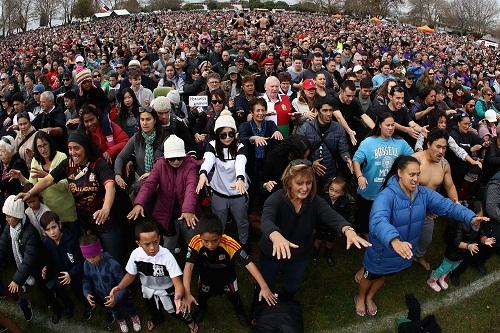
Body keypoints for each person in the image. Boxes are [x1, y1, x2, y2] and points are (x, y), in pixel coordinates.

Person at [355, 155, 487, 317]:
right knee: (369, 276)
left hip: (401, 253)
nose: (416, 179)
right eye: (412, 174)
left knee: (382, 277)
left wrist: (470, 217)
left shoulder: (423, 194)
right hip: (382, 252)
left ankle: (370, 296)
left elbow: (447, 206)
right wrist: (395, 241)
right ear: (399, 173)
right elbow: (378, 221)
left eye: (418, 174)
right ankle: (361, 297)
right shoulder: (386, 197)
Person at [259, 160, 369, 299]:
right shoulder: (275, 199)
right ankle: (260, 308)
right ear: (288, 182)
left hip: (299, 255)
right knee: (266, 284)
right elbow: (266, 219)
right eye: (299, 183)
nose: (305, 188)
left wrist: (348, 230)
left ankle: (287, 303)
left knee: (291, 286)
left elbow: (332, 216)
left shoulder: (315, 201)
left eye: (309, 183)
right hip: (272, 254)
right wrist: (275, 235)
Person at [17, 131, 123, 262]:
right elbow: (48, 180)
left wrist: (106, 209)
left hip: (106, 222)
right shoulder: (68, 164)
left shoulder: (98, 164)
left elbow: (110, 186)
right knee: (93, 259)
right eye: (70, 148)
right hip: (85, 224)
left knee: (113, 259)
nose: (73, 152)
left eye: (76, 148)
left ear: (85, 147)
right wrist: (30, 193)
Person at [182, 215, 277, 326]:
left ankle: (240, 311)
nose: (210, 245)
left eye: (215, 240)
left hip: (228, 278)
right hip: (205, 278)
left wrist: (264, 286)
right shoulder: (195, 241)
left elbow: (249, 264)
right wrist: (187, 292)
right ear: (200, 236)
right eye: (206, 241)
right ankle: (201, 309)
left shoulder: (229, 243)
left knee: (235, 297)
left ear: (221, 236)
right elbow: (188, 266)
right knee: (202, 296)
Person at [108, 220, 198, 333]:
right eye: (147, 244)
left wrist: (178, 297)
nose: (152, 248)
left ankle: (190, 321)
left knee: (178, 311)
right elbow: (131, 275)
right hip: (148, 289)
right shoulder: (135, 255)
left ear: (159, 238)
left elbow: (178, 283)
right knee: (153, 310)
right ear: (138, 243)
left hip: (168, 290)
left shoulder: (167, 256)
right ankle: (157, 319)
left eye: (155, 242)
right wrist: (119, 287)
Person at [128, 135, 199, 252]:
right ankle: (167, 265)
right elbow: (149, 184)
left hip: (188, 213)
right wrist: (139, 203)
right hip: (167, 213)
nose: (176, 161)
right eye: (172, 158)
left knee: (193, 242)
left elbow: (191, 188)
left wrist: (188, 209)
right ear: (165, 157)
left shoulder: (190, 165)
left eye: (179, 158)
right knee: (168, 243)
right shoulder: (160, 165)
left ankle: (197, 264)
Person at [196, 110, 250, 248]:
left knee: (242, 221)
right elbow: (208, 159)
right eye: (223, 135)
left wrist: (239, 178)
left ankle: (243, 244)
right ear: (217, 134)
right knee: (219, 222)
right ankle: (219, 246)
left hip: (238, 191)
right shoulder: (212, 145)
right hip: (219, 192)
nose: (227, 138)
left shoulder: (240, 146)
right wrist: (203, 172)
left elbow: (240, 162)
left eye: (231, 134)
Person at [352, 113, 414, 235]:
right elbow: (356, 160)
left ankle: (380, 233)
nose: (391, 128)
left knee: (385, 215)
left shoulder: (400, 142)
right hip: (369, 189)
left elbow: (413, 157)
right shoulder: (368, 142)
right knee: (364, 216)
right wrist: (359, 176)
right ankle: (363, 234)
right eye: (387, 125)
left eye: (393, 125)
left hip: (390, 190)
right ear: (380, 125)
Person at [10, 131, 78, 234]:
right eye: (39, 146)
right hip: (48, 214)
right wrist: (21, 177)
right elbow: (33, 187)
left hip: (66, 211)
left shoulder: (62, 157)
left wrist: (46, 176)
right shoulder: (35, 161)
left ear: (50, 144)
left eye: (45, 145)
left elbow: (65, 186)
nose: (43, 149)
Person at [412, 129, 459, 270]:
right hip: (408, 208)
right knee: (398, 236)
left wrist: (456, 205)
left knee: (426, 239)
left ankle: (418, 256)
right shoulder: (414, 161)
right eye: (438, 147)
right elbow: (402, 190)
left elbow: (450, 186)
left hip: (428, 212)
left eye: (444, 148)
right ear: (428, 144)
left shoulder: (444, 164)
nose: (441, 151)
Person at [80, 234, 141, 333]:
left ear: (100, 250)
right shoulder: (86, 264)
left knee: (129, 306)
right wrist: (86, 292)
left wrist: (116, 298)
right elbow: (86, 279)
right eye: (87, 257)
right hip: (105, 297)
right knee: (115, 311)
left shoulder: (112, 264)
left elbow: (123, 284)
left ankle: (133, 316)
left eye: (93, 256)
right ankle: (120, 320)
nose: (91, 260)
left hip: (122, 295)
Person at [0, 195, 44, 322]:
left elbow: (29, 260)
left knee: (42, 287)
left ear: (18, 216)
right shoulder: (10, 228)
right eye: (6, 215)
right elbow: (2, 246)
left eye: (9, 216)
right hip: (25, 266)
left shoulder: (30, 233)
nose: (6, 219)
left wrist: (17, 280)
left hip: (37, 267)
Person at [39, 211, 89, 321]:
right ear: (44, 232)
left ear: (60, 225)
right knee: (58, 289)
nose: (52, 232)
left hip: (74, 273)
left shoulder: (72, 240)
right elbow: (48, 258)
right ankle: (68, 306)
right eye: (48, 230)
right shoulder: (46, 242)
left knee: (79, 291)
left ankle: (88, 306)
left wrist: (71, 274)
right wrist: (45, 267)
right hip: (60, 273)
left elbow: (82, 261)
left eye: (54, 227)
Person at [297, 96, 352, 187]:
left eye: (330, 110)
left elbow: (343, 149)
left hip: (330, 171)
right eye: (325, 110)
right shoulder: (306, 128)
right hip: (309, 174)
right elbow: (299, 154)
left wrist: (347, 159)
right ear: (318, 111)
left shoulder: (338, 128)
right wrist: (310, 164)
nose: (329, 113)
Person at [427, 221, 495, 292]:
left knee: (451, 268)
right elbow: (456, 242)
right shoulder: (459, 225)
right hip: (453, 254)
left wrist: (484, 239)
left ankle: (441, 278)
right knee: (443, 268)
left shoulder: (477, 225)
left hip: (462, 255)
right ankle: (431, 281)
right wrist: (468, 246)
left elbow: (481, 233)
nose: (479, 221)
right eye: (478, 218)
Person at [239, 98, 283, 202]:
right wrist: (253, 138)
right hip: (251, 164)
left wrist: (277, 132)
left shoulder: (270, 124)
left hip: (266, 164)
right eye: (258, 110)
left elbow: (275, 131)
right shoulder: (245, 126)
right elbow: (241, 139)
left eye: (263, 110)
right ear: (252, 112)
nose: (261, 113)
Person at [114, 108, 166, 194]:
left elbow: (170, 163)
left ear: (155, 120)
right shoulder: (136, 138)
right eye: (142, 119)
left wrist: (152, 174)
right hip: (141, 180)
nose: (144, 123)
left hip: (161, 180)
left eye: (148, 119)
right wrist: (117, 174)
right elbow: (121, 157)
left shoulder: (164, 137)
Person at [313, 176, 352, 266]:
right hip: (321, 226)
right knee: (318, 240)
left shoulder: (345, 202)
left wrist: (341, 229)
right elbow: (316, 214)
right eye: (331, 189)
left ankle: (328, 255)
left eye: (337, 192)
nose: (333, 193)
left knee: (330, 242)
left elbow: (346, 216)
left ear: (343, 193)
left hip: (334, 229)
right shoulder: (322, 198)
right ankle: (315, 255)